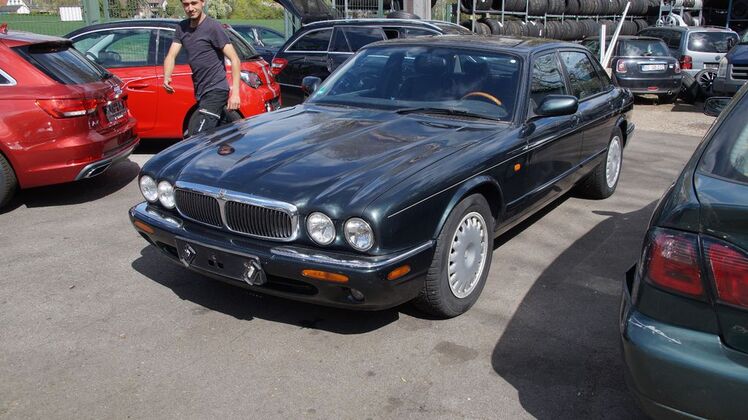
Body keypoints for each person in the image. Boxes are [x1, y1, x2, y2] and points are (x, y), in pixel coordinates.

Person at [163, 0, 241, 137]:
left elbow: (235, 59)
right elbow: (171, 55)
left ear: (203, 2)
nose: (190, 8)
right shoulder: (181, 28)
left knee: (197, 137)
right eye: (186, 4)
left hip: (216, 89)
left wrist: (235, 94)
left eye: (194, 3)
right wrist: (167, 76)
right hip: (201, 91)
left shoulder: (213, 27)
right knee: (220, 137)